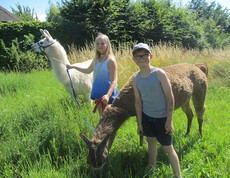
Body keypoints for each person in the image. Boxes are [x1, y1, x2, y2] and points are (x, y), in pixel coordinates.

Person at [132, 43, 182, 177]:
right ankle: (151, 167)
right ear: (134, 60)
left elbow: (170, 98)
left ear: (150, 56)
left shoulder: (159, 74)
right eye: (138, 56)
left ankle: (178, 175)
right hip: (147, 117)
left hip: (162, 118)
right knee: (151, 143)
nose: (142, 58)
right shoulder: (135, 79)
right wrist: (140, 123)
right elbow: (138, 102)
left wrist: (169, 120)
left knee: (167, 148)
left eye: (145, 55)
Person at [66, 33, 118, 116]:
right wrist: (73, 66)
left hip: (107, 94)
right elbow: (87, 70)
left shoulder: (110, 61)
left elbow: (114, 81)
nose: (100, 46)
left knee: (107, 119)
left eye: (102, 43)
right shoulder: (96, 59)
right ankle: (100, 129)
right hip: (98, 93)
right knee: (101, 117)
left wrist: (108, 96)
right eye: (97, 44)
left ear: (107, 45)